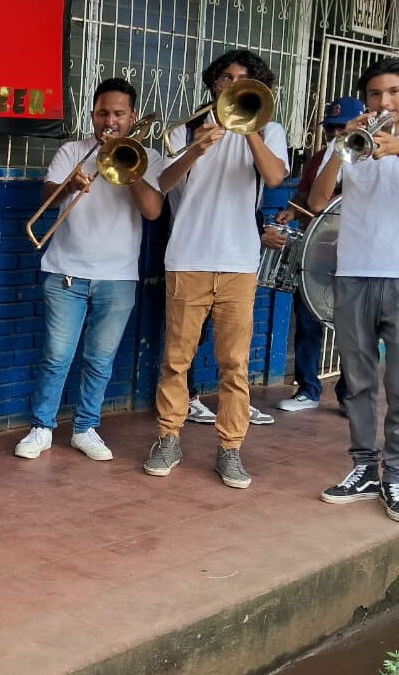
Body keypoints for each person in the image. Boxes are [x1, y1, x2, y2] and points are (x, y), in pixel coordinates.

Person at [145, 49, 289, 489]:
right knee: (176, 361)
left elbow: (276, 177)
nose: (232, 84)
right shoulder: (185, 130)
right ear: (213, 83)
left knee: (235, 365)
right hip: (187, 259)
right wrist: (195, 149)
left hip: (239, 263)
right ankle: (168, 439)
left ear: (256, 88)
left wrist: (247, 131)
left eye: (243, 79)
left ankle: (230, 450)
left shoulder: (269, 128)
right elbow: (162, 185)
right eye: (225, 77)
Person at [14, 78, 164, 461]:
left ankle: (86, 427)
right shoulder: (71, 152)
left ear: (132, 118)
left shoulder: (147, 158)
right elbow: (47, 198)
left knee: (100, 359)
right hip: (65, 271)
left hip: (118, 277)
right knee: (56, 355)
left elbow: (152, 210)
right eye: (102, 113)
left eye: (117, 114)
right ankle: (42, 427)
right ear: (92, 114)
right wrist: (69, 186)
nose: (109, 121)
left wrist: (127, 167)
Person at [309, 58, 399, 516]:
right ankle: (365, 467)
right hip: (354, 275)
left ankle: (397, 473)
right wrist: (342, 148)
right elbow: (319, 200)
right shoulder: (351, 143)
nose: (384, 102)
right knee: (359, 381)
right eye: (376, 94)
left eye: (393, 93)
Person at [265, 97, 362, 414]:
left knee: (353, 326)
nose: (334, 134)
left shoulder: (372, 158)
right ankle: (308, 389)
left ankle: (349, 395)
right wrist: (290, 213)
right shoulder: (322, 157)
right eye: (330, 128)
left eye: (340, 128)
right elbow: (307, 198)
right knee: (308, 321)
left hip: (358, 255)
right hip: (318, 252)